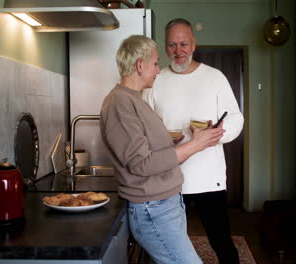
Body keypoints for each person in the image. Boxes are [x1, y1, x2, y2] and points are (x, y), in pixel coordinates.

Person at [99, 35, 225, 264]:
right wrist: (195, 144)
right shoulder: (120, 103)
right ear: (140, 65)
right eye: (155, 63)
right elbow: (141, 164)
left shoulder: (133, 100)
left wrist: (190, 142)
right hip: (153, 209)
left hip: (162, 205)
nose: (158, 70)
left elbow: (150, 154)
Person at [142, 18, 244, 264]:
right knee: (165, 242)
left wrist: (217, 133)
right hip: (168, 177)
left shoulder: (215, 77)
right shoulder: (156, 79)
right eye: (172, 45)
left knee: (221, 241)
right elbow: (144, 122)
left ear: (194, 44)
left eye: (183, 44)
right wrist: (159, 137)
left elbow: (235, 117)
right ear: (165, 47)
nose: (178, 51)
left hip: (209, 176)